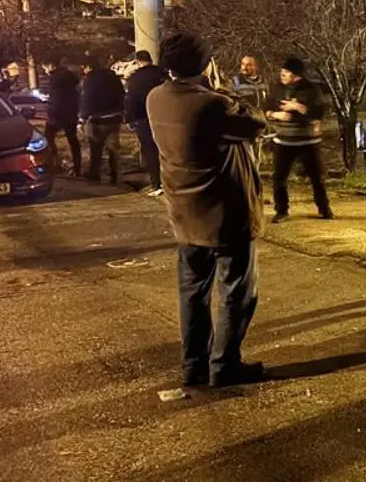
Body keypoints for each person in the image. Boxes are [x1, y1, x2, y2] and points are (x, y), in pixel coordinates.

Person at [147, 31, 268, 387]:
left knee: (192, 293)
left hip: (185, 214)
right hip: (226, 215)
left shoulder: (155, 98)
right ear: (204, 65)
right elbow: (256, 123)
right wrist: (219, 88)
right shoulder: (211, 104)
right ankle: (225, 365)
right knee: (236, 292)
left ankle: (194, 364)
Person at [267, 57, 332, 223]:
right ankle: (281, 210)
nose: (281, 75)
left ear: (296, 75)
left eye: (285, 72)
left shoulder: (311, 90)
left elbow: (319, 112)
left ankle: (324, 208)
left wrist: (299, 107)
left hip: (308, 142)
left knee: (317, 178)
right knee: (279, 178)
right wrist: (276, 114)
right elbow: (265, 110)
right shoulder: (277, 89)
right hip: (283, 141)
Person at [124, 50, 166, 196]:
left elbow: (131, 100)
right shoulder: (162, 73)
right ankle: (169, 181)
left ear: (137, 61)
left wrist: (129, 119)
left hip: (143, 118)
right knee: (166, 149)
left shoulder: (135, 79)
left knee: (150, 151)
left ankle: (156, 184)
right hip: (163, 117)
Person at [80, 57, 126, 185]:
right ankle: (115, 176)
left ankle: (95, 174)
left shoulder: (90, 79)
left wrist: (83, 118)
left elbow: (87, 99)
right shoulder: (113, 77)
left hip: (96, 120)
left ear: (88, 67)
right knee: (113, 149)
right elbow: (122, 95)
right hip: (114, 118)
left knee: (95, 148)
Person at [45, 58, 82, 176]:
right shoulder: (71, 77)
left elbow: (55, 99)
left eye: (45, 68)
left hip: (58, 113)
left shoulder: (54, 78)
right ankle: (77, 167)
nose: (45, 70)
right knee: (73, 140)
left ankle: (56, 163)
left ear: (50, 65)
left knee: (48, 137)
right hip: (71, 113)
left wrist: (52, 114)